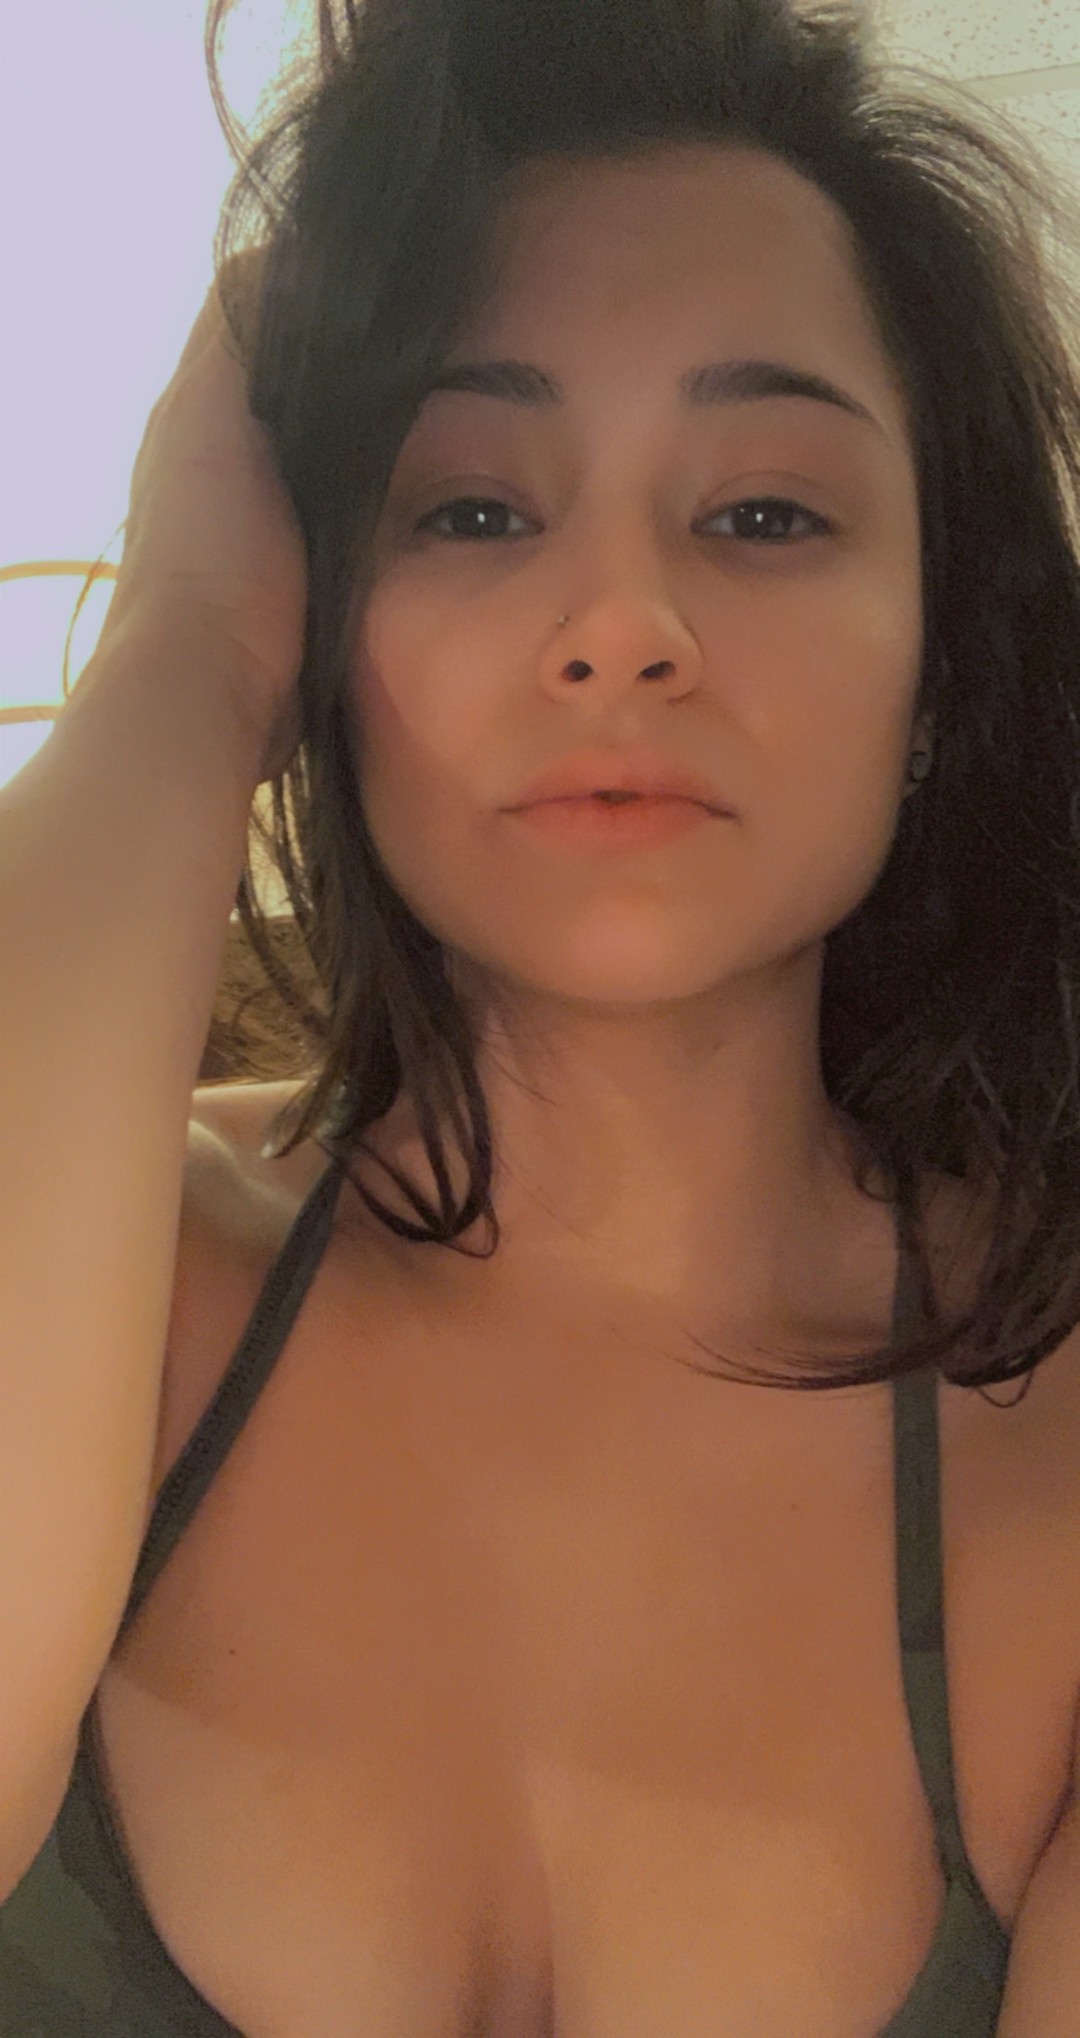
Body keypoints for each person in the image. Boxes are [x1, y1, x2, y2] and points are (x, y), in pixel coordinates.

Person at [2, 0, 1079, 2031]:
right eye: (474, 508)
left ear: (942, 663)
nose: (622, 627)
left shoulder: (1058, 1457)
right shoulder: (123, 1287)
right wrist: (184, 648)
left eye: (764, 512)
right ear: (328, 628)